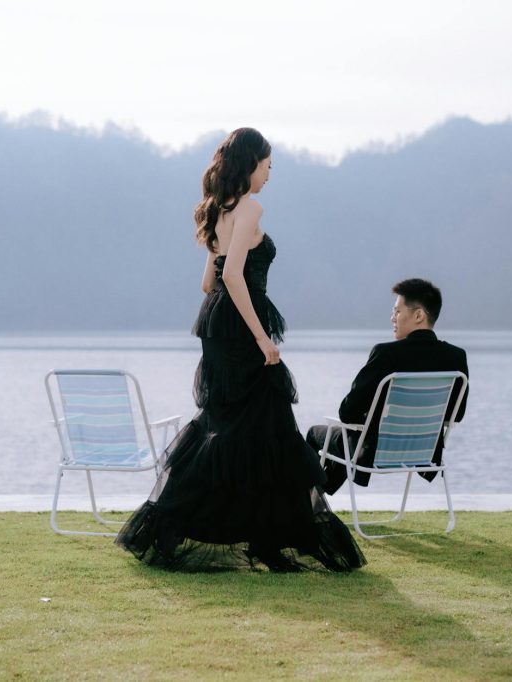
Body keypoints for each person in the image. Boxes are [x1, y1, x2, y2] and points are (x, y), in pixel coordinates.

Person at [116, 128, 365, 572]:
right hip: (238, 328)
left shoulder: (217, 211)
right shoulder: (249, 208)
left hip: (215, 326)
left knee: (230, 426)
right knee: (267, 426)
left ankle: (207, 531)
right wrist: (262, 338)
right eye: (267, 167)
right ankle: (269, 541)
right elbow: (231, 277)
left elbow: (206, 282)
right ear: (251, 164)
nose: (270, 175)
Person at [306, 279, 469, 494]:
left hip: (375, 452)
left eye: (397, 312)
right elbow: (455, 415)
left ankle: (311, 503)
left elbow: (347, 413)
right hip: (423, 453)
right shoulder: (456, 357)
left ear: (418, 315)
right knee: (349, 439)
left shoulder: (386, 354)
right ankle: (320, 500)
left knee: (317, 434)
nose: (392, 318)